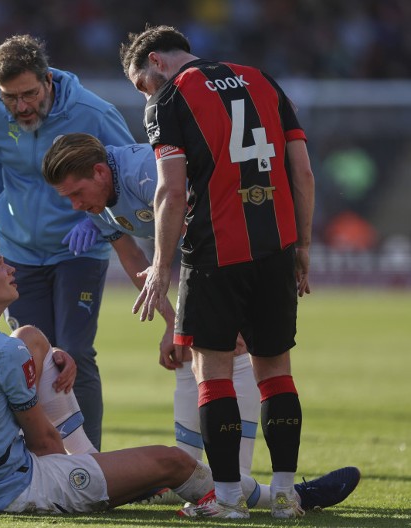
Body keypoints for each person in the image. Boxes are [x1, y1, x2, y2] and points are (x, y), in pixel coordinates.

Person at [0, 242, 360, 514]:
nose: (9, 268)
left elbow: (10, 360)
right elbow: (45, 445)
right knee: (173, 462)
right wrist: (88, 472)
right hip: (3, 491)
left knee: (34, 338)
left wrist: (48, 356)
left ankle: (111, 469)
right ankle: (280, 497)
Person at [119, 24, 316, 518]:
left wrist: (161, 265)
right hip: (275, 247)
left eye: (144, 83)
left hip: (214, 252)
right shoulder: (262, 79)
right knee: (276, 372)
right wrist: (304, 243)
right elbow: (304, 171)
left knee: (213, 372)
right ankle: (286, 495)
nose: (148, 92)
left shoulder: (168, 100)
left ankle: (227, 499)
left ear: (156, 63)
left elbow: (169, 190)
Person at [42, 132, 262, 504]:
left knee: (234, 350)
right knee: (185, 353)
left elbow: (208, 231)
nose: (77, 205)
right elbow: (134, 260)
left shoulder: (145, 172)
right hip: (207, 254)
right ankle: (191, 479)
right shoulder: (100, 201)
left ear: (99, 172)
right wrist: (172, 322)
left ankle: (237, 482)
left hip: (238, 241)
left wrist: (229, 314)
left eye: (77, 194)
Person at [0, 35, 134, 451]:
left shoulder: (93, 113)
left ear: (49, 80)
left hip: (78, 252)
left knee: (75, 350)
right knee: (30, 356)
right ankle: (43, 456)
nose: (21, 107)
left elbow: (127, 175)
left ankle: (90, 461)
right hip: (19, 252)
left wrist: (95, 226)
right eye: (10, 98)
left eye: (29, 94)